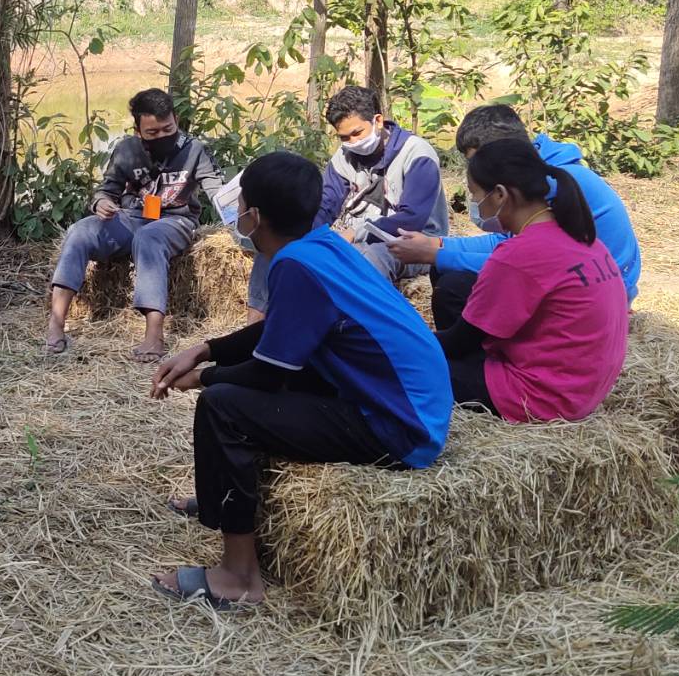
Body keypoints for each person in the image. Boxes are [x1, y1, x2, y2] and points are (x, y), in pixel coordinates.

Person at [149, 151, 452, 609]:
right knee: (255, 390)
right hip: (412, 407)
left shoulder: (295, 266)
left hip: (399, 427)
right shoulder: (321, 245)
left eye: (241, 206)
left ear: (253, 217)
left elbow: (269, 373)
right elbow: (281, 331)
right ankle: (227, 497)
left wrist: (204, 377)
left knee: (224, 407)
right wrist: (207, 348)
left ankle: (239, 576)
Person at [387, 103, 642, 329]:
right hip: (569, 278)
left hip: (592, 295)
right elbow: (508, 243)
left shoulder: (550, 185)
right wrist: (438, 245)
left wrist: (437, 254)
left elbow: (524, 263)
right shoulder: (540, 178)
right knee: (444, 270)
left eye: (478, 164)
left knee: (455, 286)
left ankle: (474, 361)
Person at [432, 138, 629, 420]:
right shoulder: (580, 235)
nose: (475, 203)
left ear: (500, 194)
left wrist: (397, 339)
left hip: (540, 398)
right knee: (455, 287)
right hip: (584, 388)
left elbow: (458, 341)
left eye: (475, 194)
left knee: (406, 366)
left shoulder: (518, 255)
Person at [44, 88, 224, 361]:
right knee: (80, 232)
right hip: (130, 217)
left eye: (168, 129)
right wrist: (101, 203)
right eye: (153, 133)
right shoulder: (126, 149)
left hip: (175, 220)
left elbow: (218, 191)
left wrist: (239, 212)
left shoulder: (194, 150)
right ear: (138, 129)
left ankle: (154, 335)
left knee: (149, 237)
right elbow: (106, 190)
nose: (162, 136)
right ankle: (56, 325)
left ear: (176, 119)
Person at [246, 85, 447, 317]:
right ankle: (257, 320)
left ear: (378, 121)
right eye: (344, 137)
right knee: (277, 242)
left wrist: (355, 232)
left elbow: (412, 219)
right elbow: (324, 204)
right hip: (358, 236)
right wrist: (296, 232)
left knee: (369, 257)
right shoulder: (344, 156)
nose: (352, 142)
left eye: (357, 133)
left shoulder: (417, 154)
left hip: (415, 242)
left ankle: (349, 325)